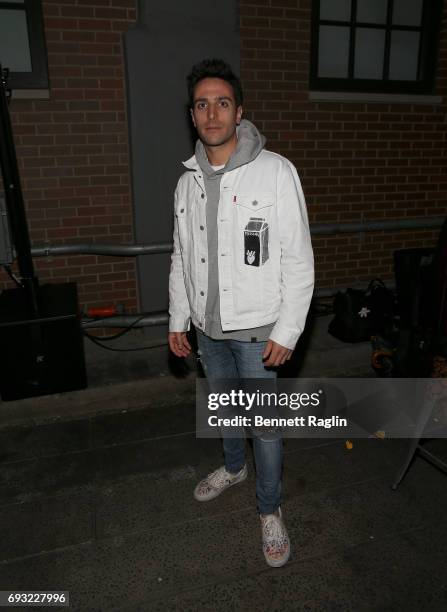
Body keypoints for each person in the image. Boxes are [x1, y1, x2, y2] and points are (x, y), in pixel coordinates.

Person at [168, 58, 314, 567]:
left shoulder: (275, 171)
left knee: (266, 426)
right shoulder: (186, 182)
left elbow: (299, 258)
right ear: (192, 115)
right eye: (202, 104)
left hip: (258, 331)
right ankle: (233, 468)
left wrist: (289, 330)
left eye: (222, 103)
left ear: (239, 112)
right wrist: (176, 318)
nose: (212, 113)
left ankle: (270, 510)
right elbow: (182, 257)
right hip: (208, 328)